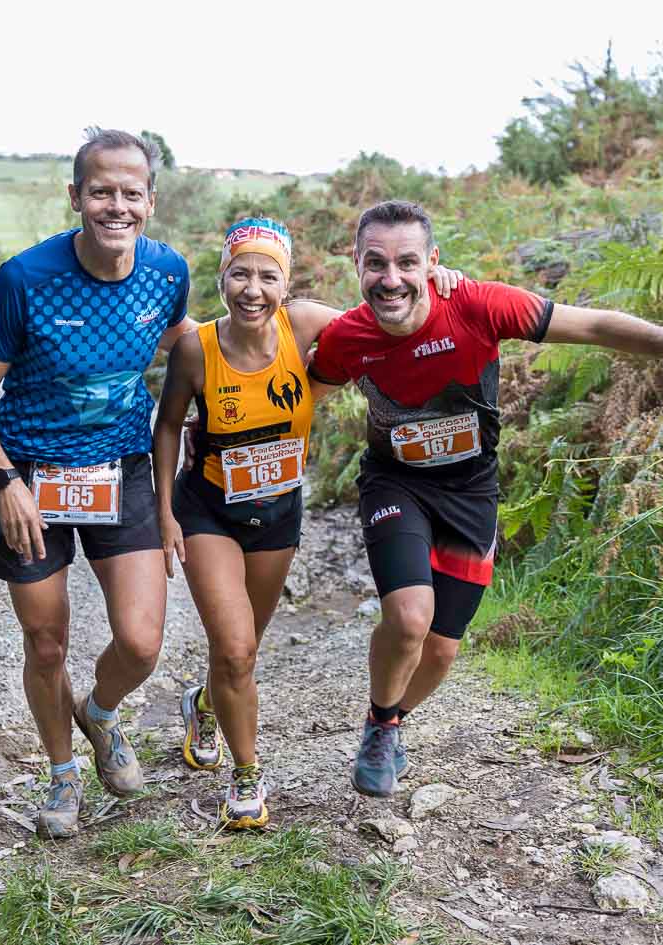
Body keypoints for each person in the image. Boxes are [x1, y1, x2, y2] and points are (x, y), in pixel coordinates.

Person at [306, 199, 663, 798]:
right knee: (409, 620)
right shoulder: (348, 336)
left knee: (440, 652)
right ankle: (380, 725)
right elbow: (303, 392)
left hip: (469, 491)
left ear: (432, 262)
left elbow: (593, 325)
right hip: (395, 483)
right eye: (375, 263)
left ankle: (393, 720)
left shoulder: (478, 305)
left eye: (407, 262)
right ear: (356, 263)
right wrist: (227, 431)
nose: (391, 279)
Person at [153, 218, 460, 829]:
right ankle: (246, 779)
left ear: (286, 285)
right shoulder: (196, 350)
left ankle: (206, 704)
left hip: (278, 513)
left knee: (247, 646)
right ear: (222, 277)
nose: (252, 288)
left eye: (268, 276)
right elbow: (167, 427)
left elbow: (392, 317)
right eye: (240, 273)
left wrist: (440, 282)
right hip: (209, 508)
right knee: (235, 649)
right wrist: (164, 513)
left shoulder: (310, 325)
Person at [0, 128, 195, 839]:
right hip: (30, 477)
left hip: (122, 470)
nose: (114, 205)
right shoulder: (25, 279)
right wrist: (4, 481)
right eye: (100, 191)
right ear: (75, 197)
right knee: (47, 644)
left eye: (129, 193)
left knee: (143, 641)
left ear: (150, 200)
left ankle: (100, 712)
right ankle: (61, 771)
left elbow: (183, 342)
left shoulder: (167, 270)